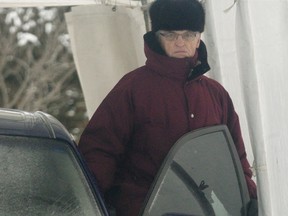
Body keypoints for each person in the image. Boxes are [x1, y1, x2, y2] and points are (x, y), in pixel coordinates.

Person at [78, 0, 257, 215]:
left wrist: (250, 200)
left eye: (188, 34)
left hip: (203, 209)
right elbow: (99, 150)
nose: (180, 42)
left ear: (199, 38)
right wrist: (87, 205)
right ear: (157, 37)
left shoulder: (216, 95)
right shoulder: (133, 88)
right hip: (143, 208)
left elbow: (236, 158)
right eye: (170, 34)